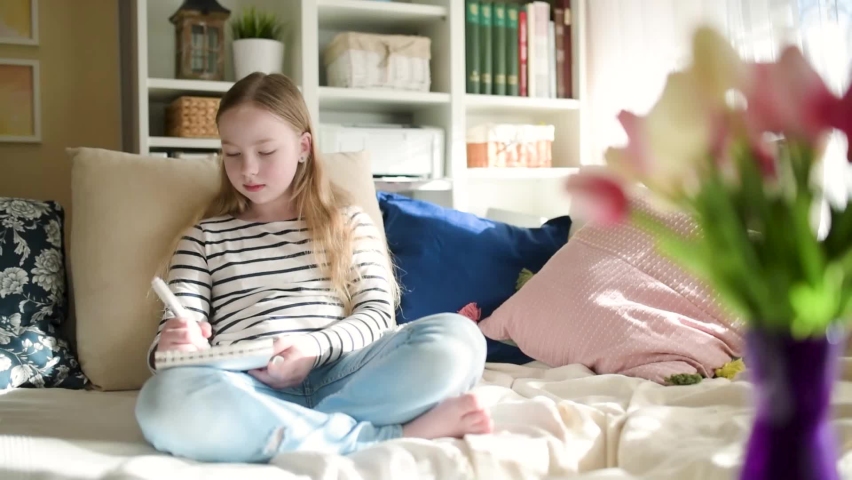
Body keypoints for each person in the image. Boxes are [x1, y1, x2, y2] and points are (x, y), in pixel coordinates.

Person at [134, 72, 492, 464]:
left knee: (460, 337)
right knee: (161, 401)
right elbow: (172, 340)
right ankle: (385, 435)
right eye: (232, 153)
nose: (248, 169)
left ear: (303, 146)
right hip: (246, 386)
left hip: (347, 375)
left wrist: (312, 349)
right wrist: (172, 345)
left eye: (266, 152)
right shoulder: (203, 238)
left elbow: (376, 315)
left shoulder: (348, 223)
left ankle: (283, 433)